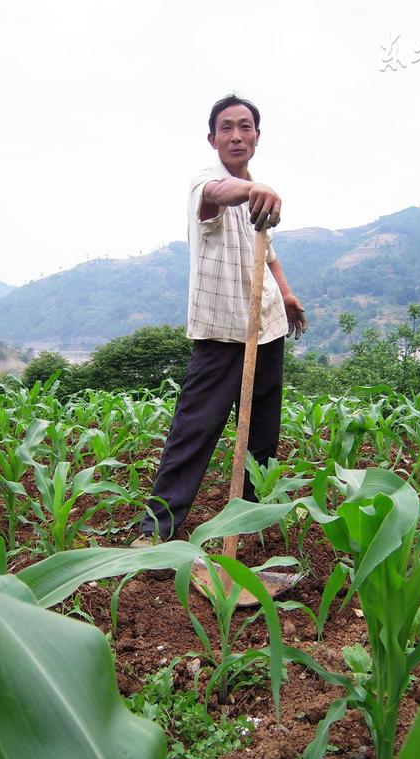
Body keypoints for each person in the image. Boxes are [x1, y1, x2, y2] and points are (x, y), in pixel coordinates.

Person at [133, 94, 307, 545]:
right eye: (226, 127)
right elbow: (215, 197)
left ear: (257, 137)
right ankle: (158, 533)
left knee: (262, 438)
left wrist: (286, 295)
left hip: (266, 330)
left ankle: (249, 527)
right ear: (212, 138)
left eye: (244, 126)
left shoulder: (258, 198)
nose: (236, 135)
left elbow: (268, 254)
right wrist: (251, 190)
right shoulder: (207, 182)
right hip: (221, 332)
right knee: (194, 431)